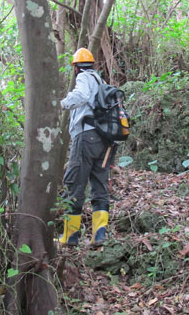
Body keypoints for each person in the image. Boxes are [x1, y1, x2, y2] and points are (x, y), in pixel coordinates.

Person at [58, 48, 114, 247]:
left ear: (75, 67)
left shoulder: (83, 78)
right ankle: (99, 235)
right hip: (105, 141)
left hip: (86, 137)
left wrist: (61, 103)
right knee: (99, 184)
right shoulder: (101, 81)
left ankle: (70, 236)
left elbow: (81, 95)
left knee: (74, 183)